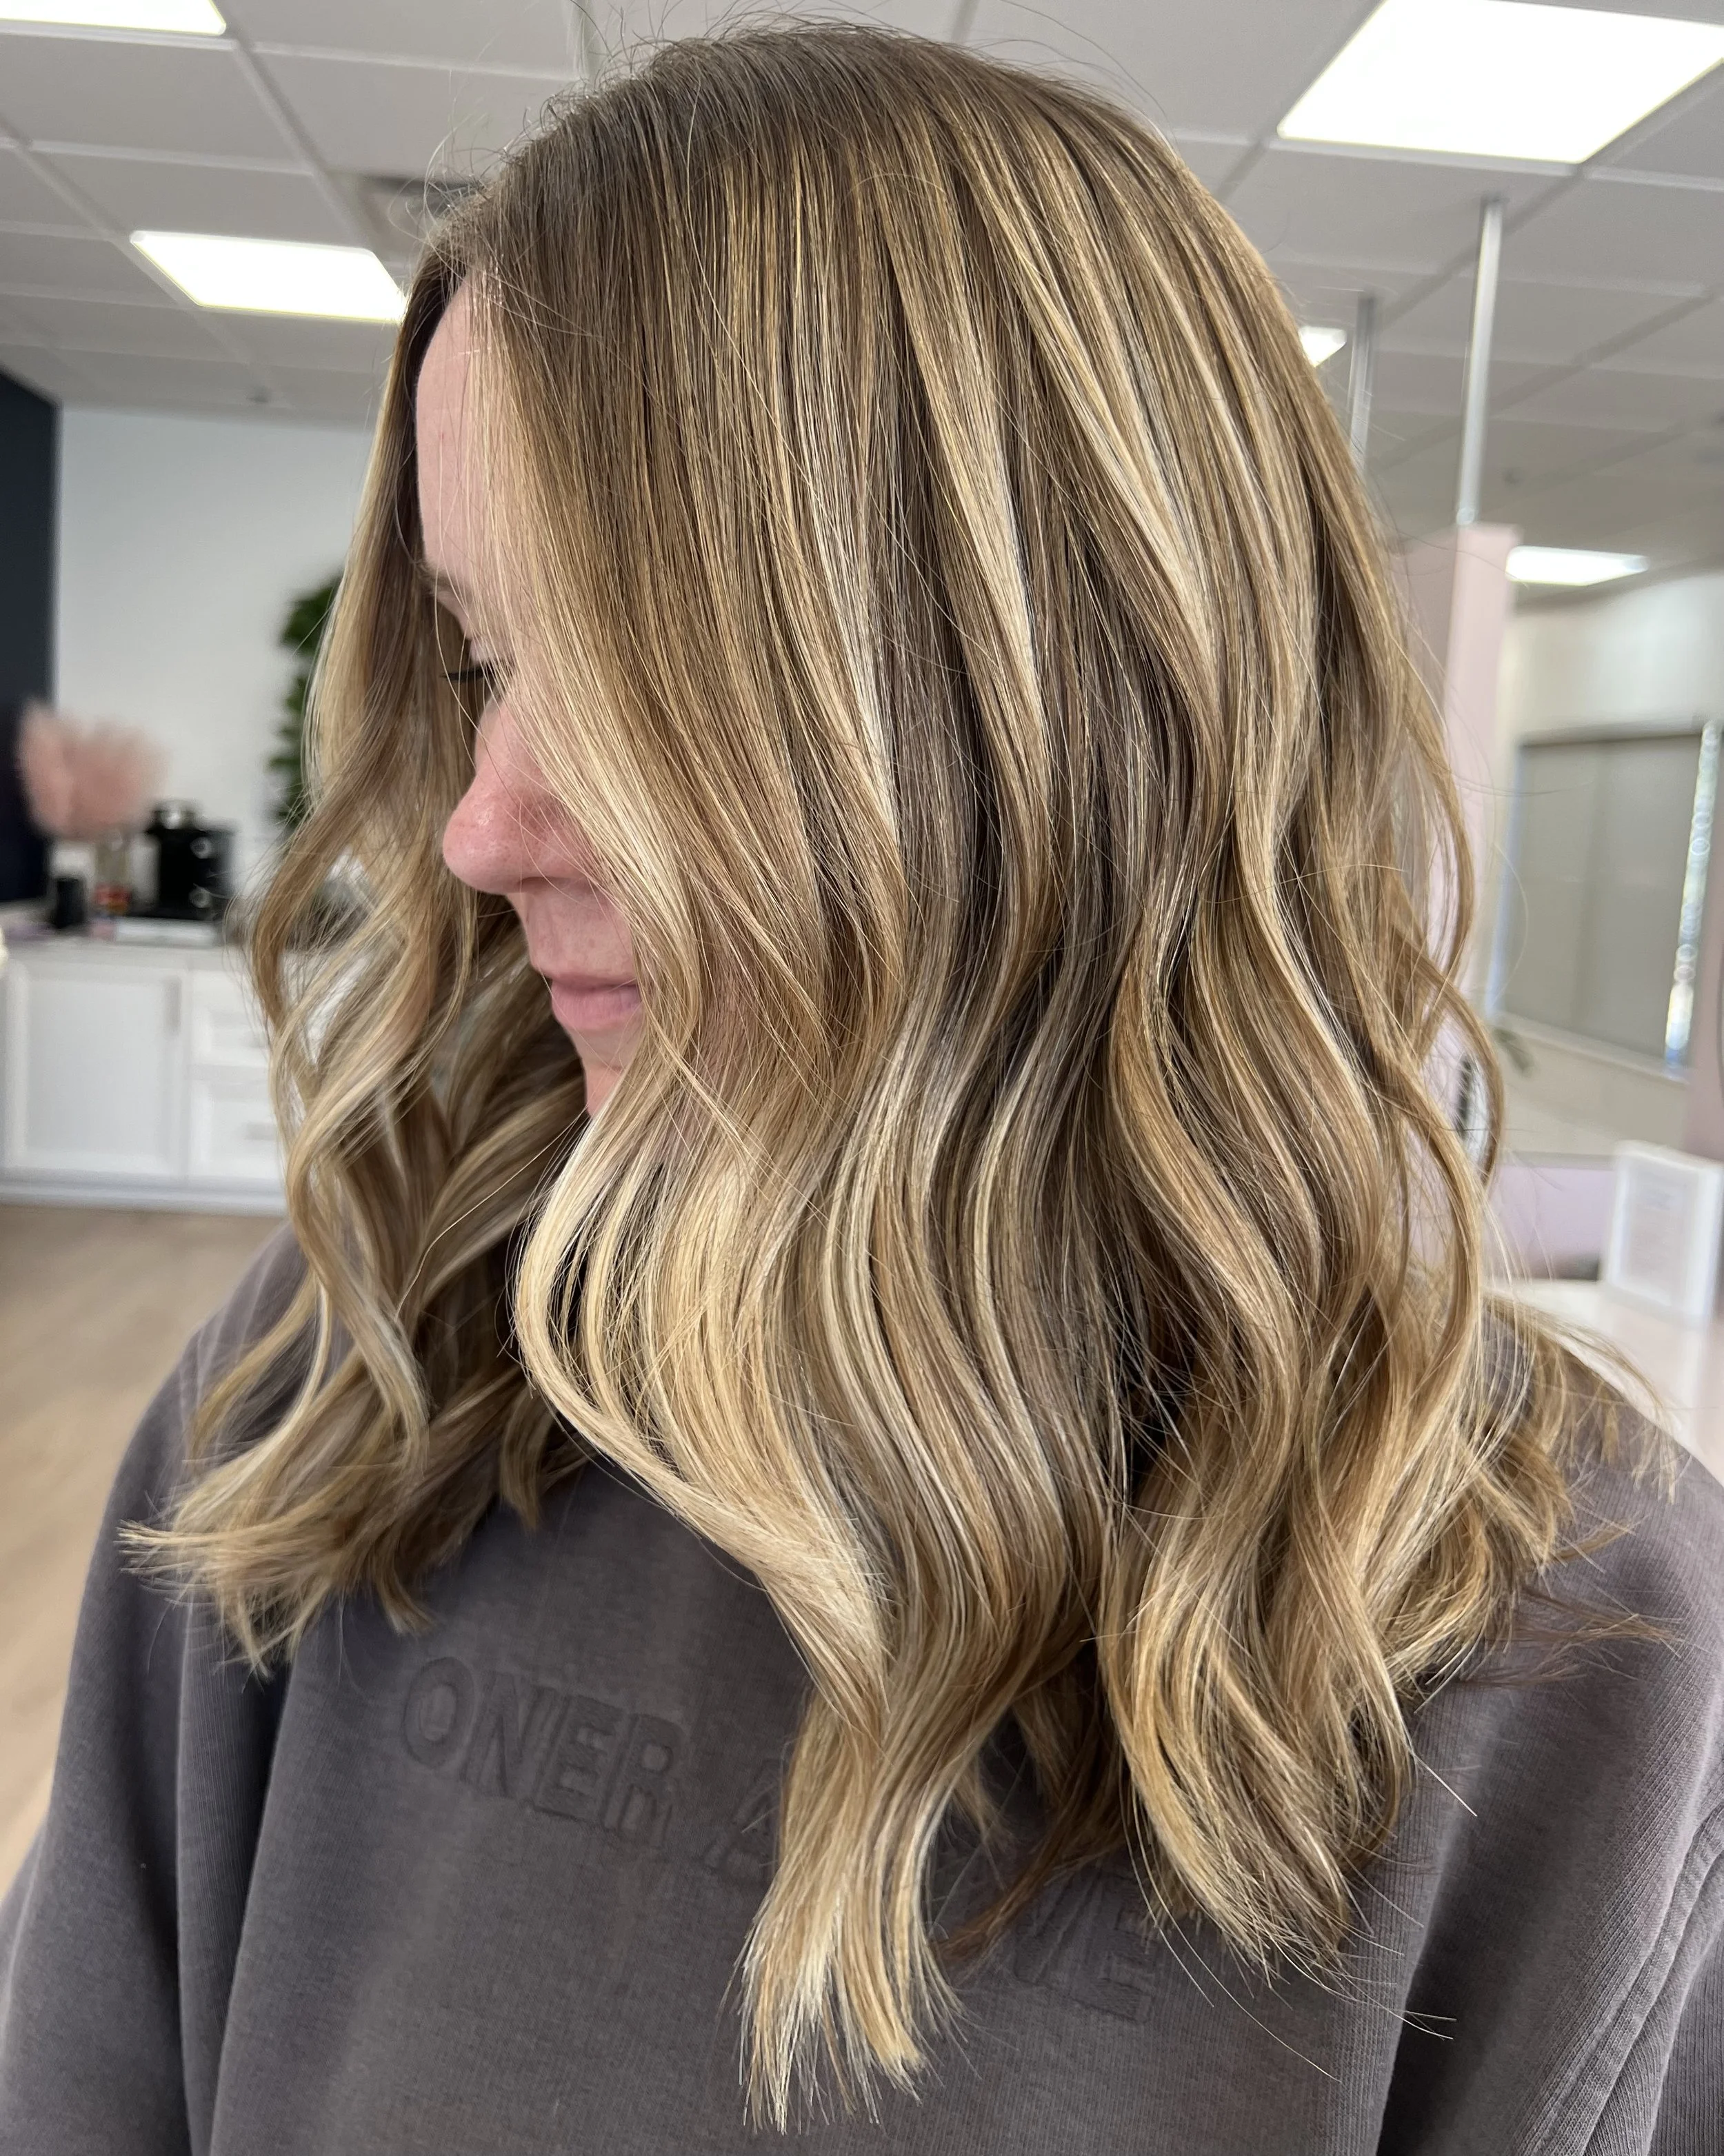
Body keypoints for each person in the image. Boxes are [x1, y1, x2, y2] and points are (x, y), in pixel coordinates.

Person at [2, 23, 1721, 2154]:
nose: (477, 823)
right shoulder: (345, 1395)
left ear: (1043, 697)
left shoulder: (1578, 1652)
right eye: (477, 659)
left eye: (630, 673)